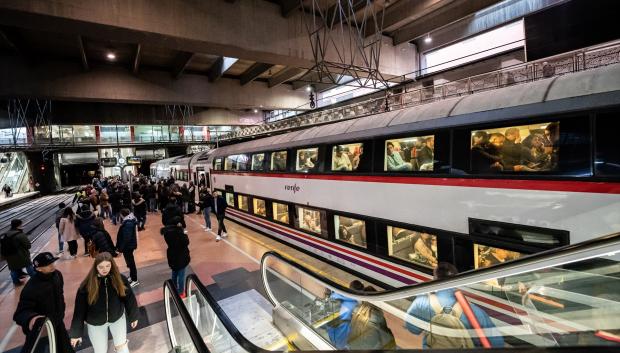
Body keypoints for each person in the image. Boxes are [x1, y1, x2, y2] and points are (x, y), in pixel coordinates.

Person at [405, 262, 504, 348]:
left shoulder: (421, 302)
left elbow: (412, 329)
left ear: (434, 279)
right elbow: (497, 344)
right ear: (457, 281)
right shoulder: (475, 312)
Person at [69, 252, 139, 353]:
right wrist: (76, 333)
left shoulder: (120, 279)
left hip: (117, 319)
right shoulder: (87, 285)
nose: (105, 269)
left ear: (112, 265)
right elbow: (79, 310)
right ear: (95, 267)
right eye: (101, 267)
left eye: (107, 266)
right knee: (100, 350)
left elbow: (129, 298)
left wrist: (133, 316)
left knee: (122, 348)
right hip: (95, 324)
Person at [14, 252, 74, 353]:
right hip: (42, 328)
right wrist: (32, 319)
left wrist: (61, 311)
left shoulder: (57, 275)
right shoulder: (31, 288)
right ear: (38, 269)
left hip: (58, 321)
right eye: (47, 264)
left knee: (66, 349)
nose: (52, 265)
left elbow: (60, 293)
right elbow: (20, 313)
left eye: (52, 262)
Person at [326, 280, 364, 349]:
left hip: (334, 334)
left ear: (350, 287)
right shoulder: (355, 306)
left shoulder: (334, 296)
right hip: (341, 338)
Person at [1, 219, 36, 285]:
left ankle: (16, 282)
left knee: (13, 269)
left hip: (9, 255)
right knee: (29, 266)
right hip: (21, 255)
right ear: (19, 225)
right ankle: (35, 279)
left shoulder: (6, 234)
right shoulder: (20, 234)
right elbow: (28, 245)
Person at [161, 216, 190, 296]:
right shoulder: (178, 232)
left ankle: (173, 289)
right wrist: (183, 233)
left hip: (172, 254)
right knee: (181, 275)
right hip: (181, 255)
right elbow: (186, 242)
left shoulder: (167, 232)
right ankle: (181, 292)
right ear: (177, 223)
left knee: (174, 272)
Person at [116, 209, 139, 287]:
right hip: (128, 246)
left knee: (131, 263)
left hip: (128, 246)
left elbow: (126, 238)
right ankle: (132, 277)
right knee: (129, 262)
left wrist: (121, 249)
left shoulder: (128, 223)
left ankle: (135, 280)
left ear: (122, 215)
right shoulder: (129, 221)